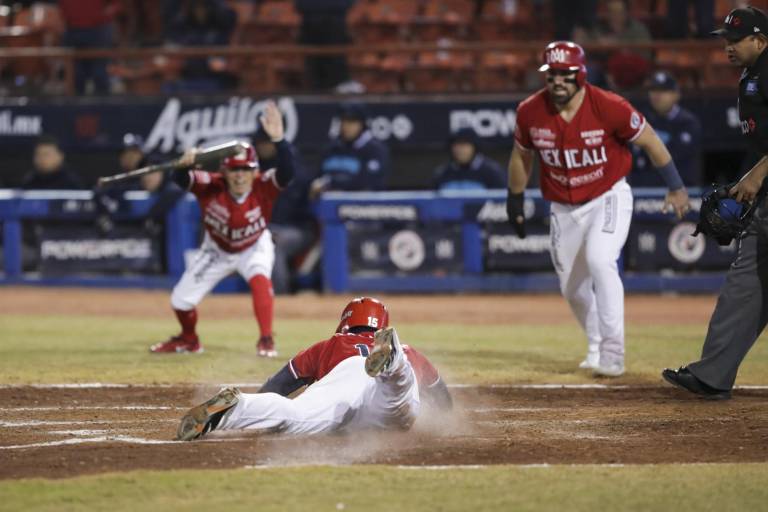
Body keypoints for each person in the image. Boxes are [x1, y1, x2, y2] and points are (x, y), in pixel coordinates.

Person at [507, 41, 690, 377]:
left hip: (607, 195)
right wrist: (515, 199)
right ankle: (595, 345)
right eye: (552, 74)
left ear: (581, 74)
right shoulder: (530, 111)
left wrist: (675, 186)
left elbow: (650, 139)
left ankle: (613, 352)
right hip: (562, 207)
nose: (557, 81)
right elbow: (522, 155)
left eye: (565, 74)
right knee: (572, 289)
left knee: (600, 260)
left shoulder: (609, 106)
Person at [663, 7, 768, 400]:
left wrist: (757, 175)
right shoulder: (753, 75)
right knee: (745, 283)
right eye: (725, 39)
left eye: (735, 40)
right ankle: (713, 375)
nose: (728, 46)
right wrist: (749, 179)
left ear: (760, 40)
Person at [175, 297, 453, 441]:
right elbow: (442, 398)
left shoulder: (329, 345)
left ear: (346, 321)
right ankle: (393, 362)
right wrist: (443, 418)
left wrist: (260, 400)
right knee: (397, 397)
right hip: (383, 384)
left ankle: (237, 408)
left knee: (296, 415)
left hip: (343, 382)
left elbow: (279, 385)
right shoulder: (411, 351)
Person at [150, 100, 294, 357]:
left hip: (254, 244)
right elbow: (181, 179)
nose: (240, 176)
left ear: (254, 171)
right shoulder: (210, 184)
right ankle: (189, 340)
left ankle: (266, 339)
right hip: (217, 249)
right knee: (180, 301)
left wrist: (280, 141)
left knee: (260, 279)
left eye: (246, 170)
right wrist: (184, 165)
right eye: (234, 170)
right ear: (224, 172)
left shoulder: (264, 186)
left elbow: (288, 172)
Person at [253, 126, 316, 295]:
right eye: (259, 143)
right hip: (264, 229)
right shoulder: (251, 169)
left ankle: (280, 297)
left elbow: (293, 209)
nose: (262, 147)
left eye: (266, 143)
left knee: (272, 244)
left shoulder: (294, 168)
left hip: (297, 229)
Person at [630, 71, 703, 187]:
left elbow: (669, 158)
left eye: (663, 91)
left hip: (682, 188)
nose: (657, 95)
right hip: (645, 187)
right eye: (653, 90)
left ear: (676, 95)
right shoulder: (642, 120)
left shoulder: (688, 122)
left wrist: (649, 157)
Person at [309, 101, 391, 198]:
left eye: (352, 122)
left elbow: (368, 183)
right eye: (343, 121)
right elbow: (316, 178)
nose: (346, 126)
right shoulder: (331, 148)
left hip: (361, 205)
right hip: (328, 204)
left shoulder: (376, 150)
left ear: (362, 124)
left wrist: (330, 183)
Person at [58, 0, 117, 95]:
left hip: (99, 29)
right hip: (72, 29)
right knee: (76, 75)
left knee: (99, 73)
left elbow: (115, 4)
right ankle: (75, 103)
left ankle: (103, 102)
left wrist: (104, 15)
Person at [432, 127, 507, 191]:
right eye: (456, 145)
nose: (459, 149)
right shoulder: (442, 173)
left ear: (474, 146)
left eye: (464, 144)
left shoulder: (492, 172)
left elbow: (503, 199)